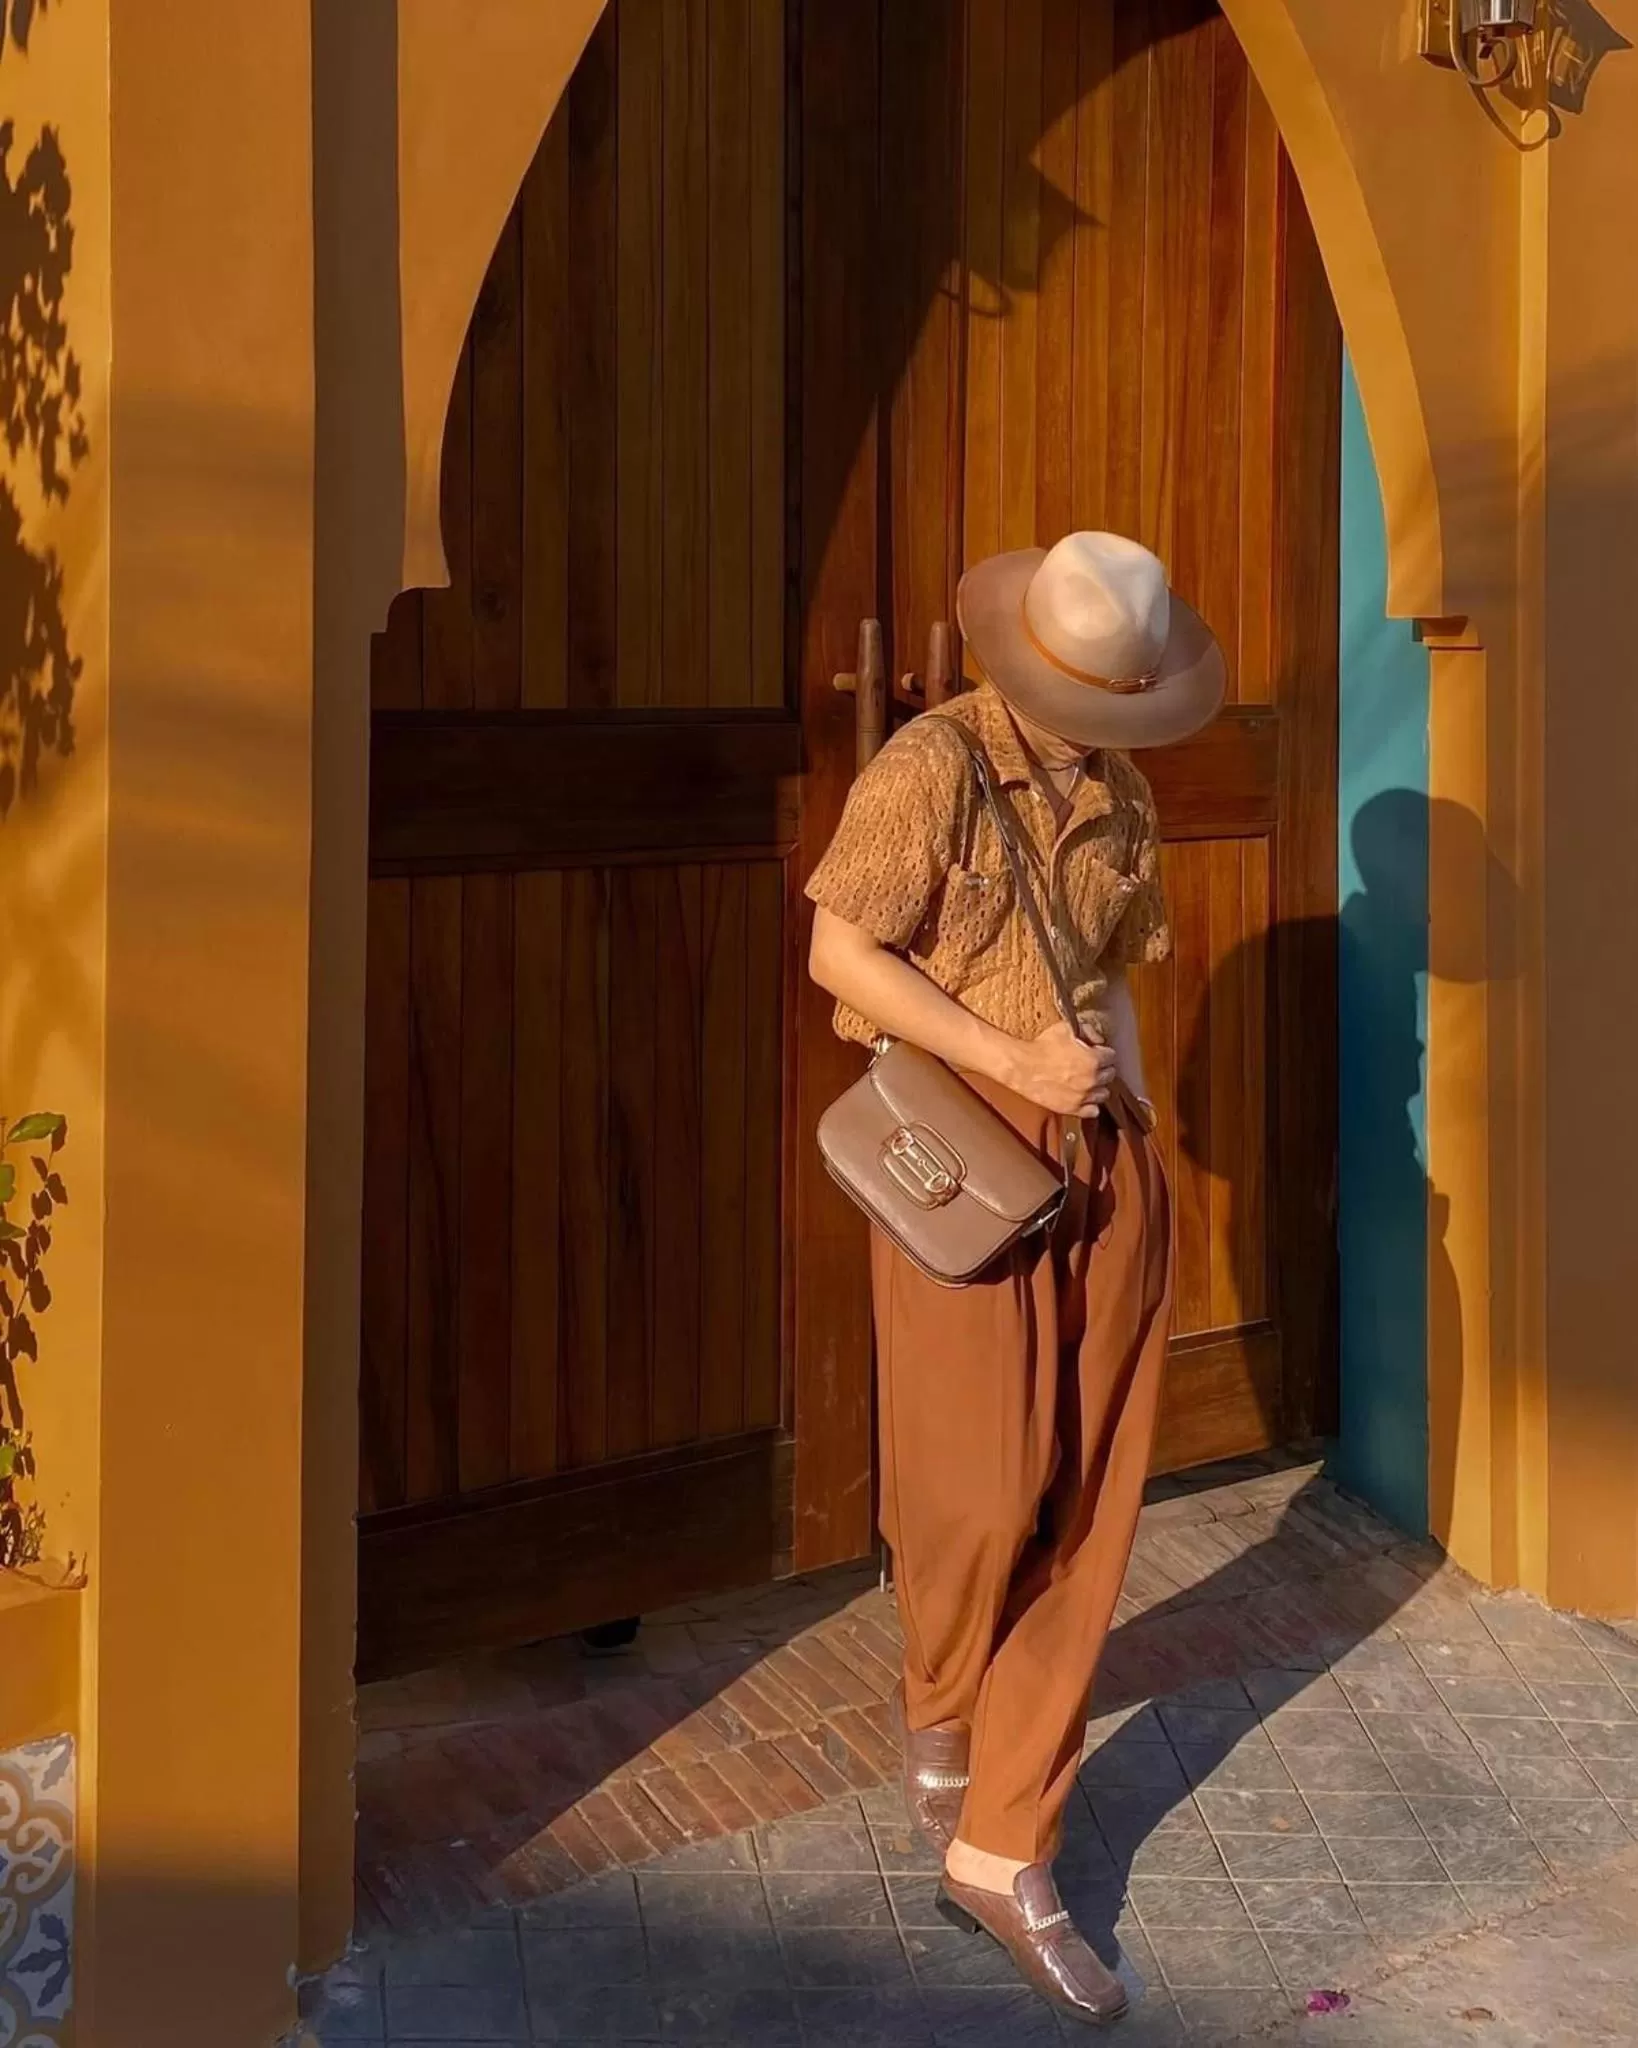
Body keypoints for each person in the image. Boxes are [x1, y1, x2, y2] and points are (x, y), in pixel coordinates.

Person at [806, 531, 1225, 2027]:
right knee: (978, 1489)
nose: (1108, 728)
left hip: (1102, 1153)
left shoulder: (1119, 788)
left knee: (1089, 1495)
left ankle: (1003, 1843)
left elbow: (1111, 965)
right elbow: (836, 953)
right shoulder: (929, 766)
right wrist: (1006, 1060)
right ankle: (938, 1694)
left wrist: (1128, 1104)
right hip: (959, 1161)